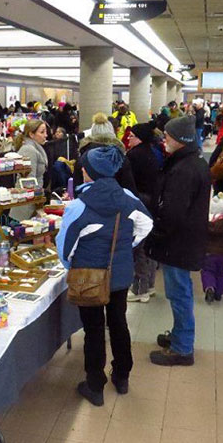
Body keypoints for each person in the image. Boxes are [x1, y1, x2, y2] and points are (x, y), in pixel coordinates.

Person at [56, 146, 152, 406]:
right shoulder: (128, 197)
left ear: (87, 172)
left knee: (94, 329)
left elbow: (65, 250)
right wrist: (126, 246)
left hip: (89, 275)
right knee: (119, 322)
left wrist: (71, 265)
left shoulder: (78, 206)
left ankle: (95, 384)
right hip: (119, 273)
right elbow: (146, 224)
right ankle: (122, 376)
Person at [146, 116, 210, 366]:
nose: (164, 140)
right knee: (179, 291)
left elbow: (173, 212)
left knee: (179, 293)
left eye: (168, 136)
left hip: (178, 242)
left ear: (181, 140)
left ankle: (183, 348)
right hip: (186, 238)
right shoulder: (191, 162)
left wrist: (158, 234)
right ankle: (179, 335)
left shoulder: (184, 170)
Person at [125, 123, 164, 302]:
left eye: (131, 136)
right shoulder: (153, 152)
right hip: (153, 203)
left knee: (138, 245)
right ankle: (149, 285)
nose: (128, 138)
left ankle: (140, 289)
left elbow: (129, 183)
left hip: (139, 204)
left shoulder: (134, 156)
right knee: (149, 245)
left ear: (140, 138)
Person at [73, 113, 137, 194]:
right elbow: (129, 188)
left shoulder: (83, 158)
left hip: (89, 202)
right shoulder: (120, 158)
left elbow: (77, 188)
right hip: (117, 202)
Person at [14, 119, 48, 187]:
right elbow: (29, 182)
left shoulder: (36, 148)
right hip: (30, 195)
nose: (46, 135)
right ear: (31, 134)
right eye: (42, 132)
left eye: (46, 132)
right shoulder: (29, 150)